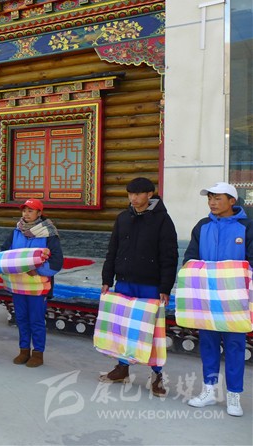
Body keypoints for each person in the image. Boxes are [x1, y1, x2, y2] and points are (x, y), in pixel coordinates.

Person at [99, 178, 177, 396]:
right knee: (123, 327)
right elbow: (112, 250)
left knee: (152, 331)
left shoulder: (162, 220)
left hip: (150, 285)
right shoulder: (123, 218)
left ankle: (156, 374)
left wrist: (165, 286)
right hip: (124, 282)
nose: (133, 198)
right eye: (130, 194)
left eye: (138, 194)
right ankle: (122, 368)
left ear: (149, 195)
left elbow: (169, 255)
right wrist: (107, 278)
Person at [183, 182, 249, 417]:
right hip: (207, 298)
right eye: (210, 198)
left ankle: (234, 396)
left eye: (217, 198)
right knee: (208, 344)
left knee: (235, 346)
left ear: (232, 201)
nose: (212, 202)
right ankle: (209, 391)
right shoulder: (202, 226)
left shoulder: (247, 227)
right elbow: (190, 256)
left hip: (235, 300)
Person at [2, 199, 63, 368]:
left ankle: (38, 353)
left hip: (38, 285)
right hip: (18, 284)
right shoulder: (16, 231)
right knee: (21, 318)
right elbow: (5, 252)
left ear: (39, 213)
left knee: (36, 319)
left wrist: (38, 270)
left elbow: (57, 261)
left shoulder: (49, 233)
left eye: (30, 211)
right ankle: (23, 350)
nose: (26, 214)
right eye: (24, 211)